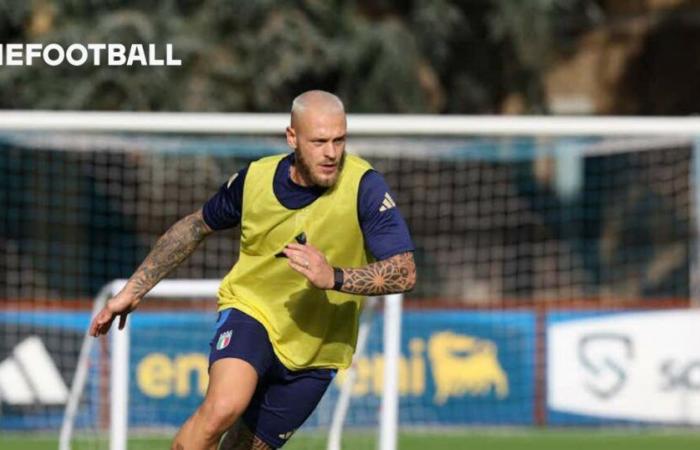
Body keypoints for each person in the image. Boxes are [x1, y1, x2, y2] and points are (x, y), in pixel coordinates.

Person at [89, 90, 416, 450]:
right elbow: (195, 227)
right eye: (319, 141)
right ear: (292, 138)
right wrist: (134, 289)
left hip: (318, 349)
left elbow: (405, 271)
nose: (331, 153)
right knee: (222, 410)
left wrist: (333, 277)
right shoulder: (255, 179)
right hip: (252, 311)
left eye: (339, 140)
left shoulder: (364, 186)